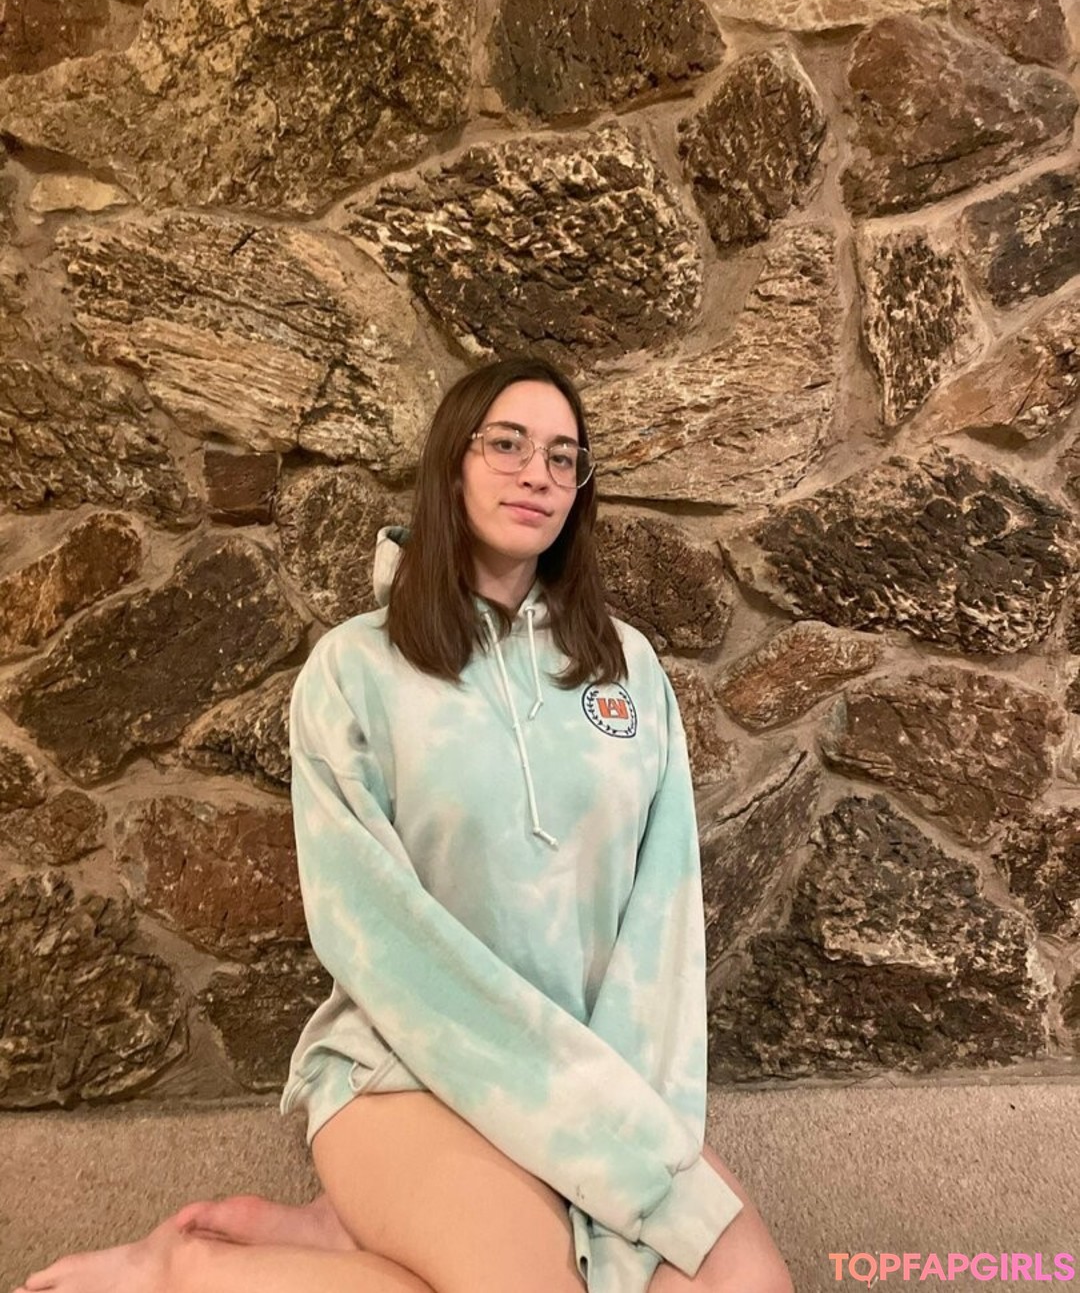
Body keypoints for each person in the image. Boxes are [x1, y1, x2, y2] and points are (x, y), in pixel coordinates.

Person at [13, 357, 792, 1293]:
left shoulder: (626, 667)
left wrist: (632, 1112)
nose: (537, 473)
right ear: (451, 464)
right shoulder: (355, 671)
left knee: (749, 1282)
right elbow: (375, 935)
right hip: (404, 1071)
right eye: (506, 444)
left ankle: (336, 1237)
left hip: (588, 1083)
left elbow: (663, 918)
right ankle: (188, 1268)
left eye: (563, 456)